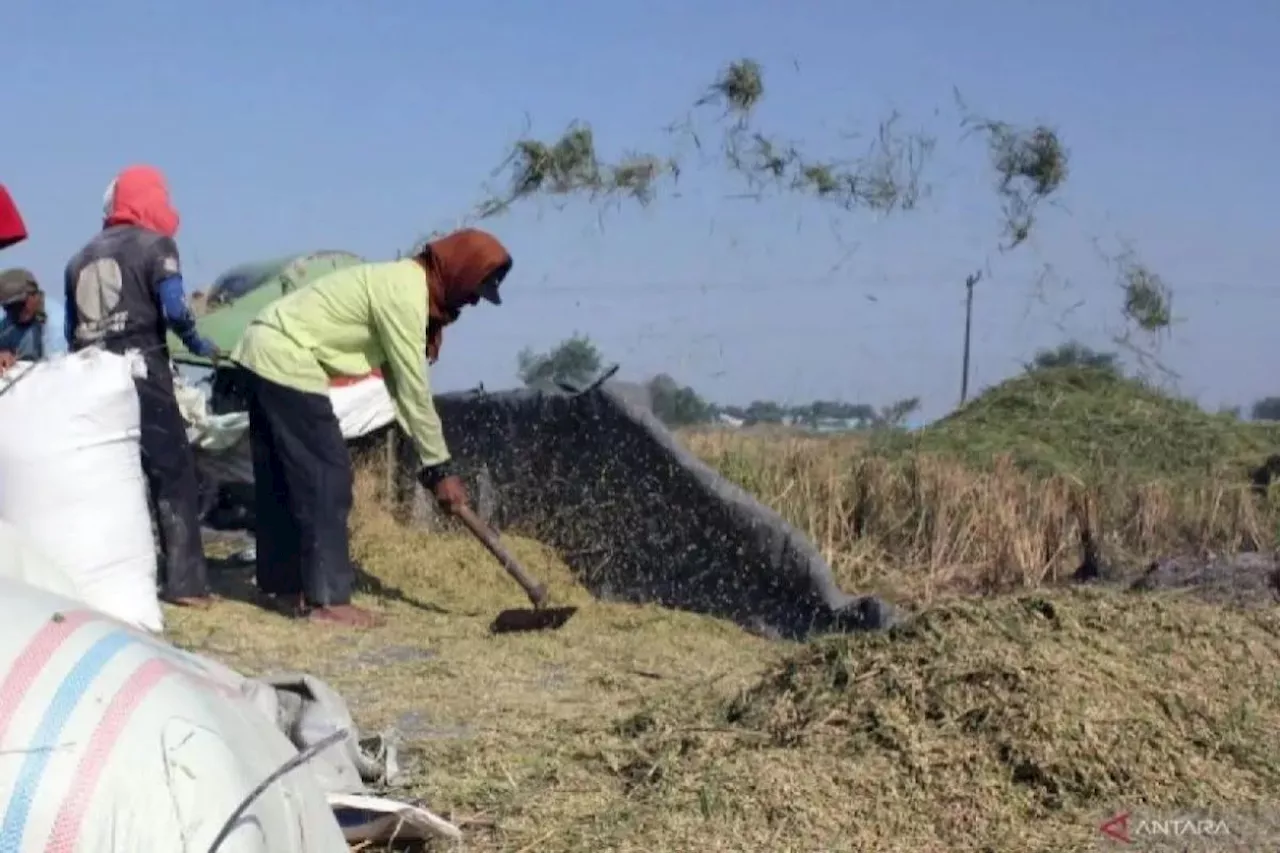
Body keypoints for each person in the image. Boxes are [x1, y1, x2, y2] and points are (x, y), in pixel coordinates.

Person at [230, 227, 513, 627]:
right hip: (285, 353)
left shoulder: (403, 285)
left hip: (262, 347)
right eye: (474, 290)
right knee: (327, 476)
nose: (472, 302)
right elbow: (413, 386)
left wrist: (433, 469)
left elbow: (398, 385)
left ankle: (283, 587)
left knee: (283, 478)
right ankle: (328, 599)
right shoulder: (404, 293)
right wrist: (443, 466)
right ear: (458, 270)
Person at [65, 164, 219, 607]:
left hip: (92, 377)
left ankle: (108, 575)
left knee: (112, 477)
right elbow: (174, 309)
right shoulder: (156, 246)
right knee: (172, 474)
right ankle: (185, 585)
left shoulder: (78, 258)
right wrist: (196, 342)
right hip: (142, 371)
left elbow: (74, 332)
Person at [0, 268, 48, 369]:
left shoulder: (57, 321)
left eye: (19, 305)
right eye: (10, 308)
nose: (17, 312)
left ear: (35, 295)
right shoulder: (5, 328)